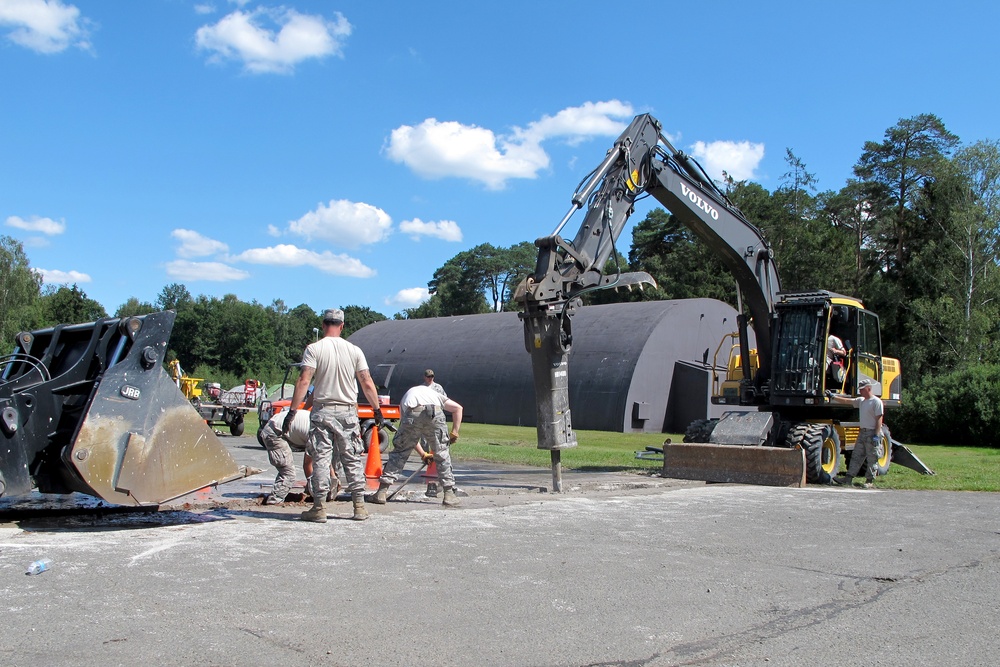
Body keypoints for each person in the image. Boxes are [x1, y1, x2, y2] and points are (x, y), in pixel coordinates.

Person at [285, 308, 384, 523]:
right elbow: (367, 382)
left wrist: (293, 411)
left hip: (323, 411)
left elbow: (304, 381)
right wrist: (377, 410)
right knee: (351, 458)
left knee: (320, 458)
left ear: (323, 325)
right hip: (348, 411)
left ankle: (319, 507)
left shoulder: (314, 349)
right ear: (342, 326)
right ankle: (359, 506)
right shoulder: (354, 350)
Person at [371, 382, 463, 507]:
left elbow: (408, 439)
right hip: (435, 412)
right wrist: (454, 432)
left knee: (400, 452)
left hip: (412, 411)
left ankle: (381, 492)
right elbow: (458, 408)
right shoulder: (436, 396)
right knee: (442, 454)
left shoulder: (407, 398)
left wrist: (423, 454)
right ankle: (449, 494)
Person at [258, 406, 340, 505]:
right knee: (288, 473)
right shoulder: (316, 433)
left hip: (280, 427)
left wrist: (333, 477)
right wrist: (315, 489)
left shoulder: (323, 426)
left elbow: (323, 458)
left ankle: (308, 491)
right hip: (274, 433)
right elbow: (307, 464)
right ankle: (274, 501)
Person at [828, 378, 884, 488]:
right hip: (862, 433)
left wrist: (876, 435)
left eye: (862, 389)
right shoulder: (861, 401)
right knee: (856, 456)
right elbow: (847, 401)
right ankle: (848, 478)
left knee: (872, 457)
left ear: (868, 388)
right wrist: (833, 397)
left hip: (872, 433)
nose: (860, 391)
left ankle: (869, 481)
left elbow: (879, 419)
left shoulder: (876, 402)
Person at [419, 369, 447, 497]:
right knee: (424, 440)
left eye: (432, 376)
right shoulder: (422, 388)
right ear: (424, 377)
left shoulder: (438, 388)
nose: (430, 378)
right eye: (428, 376)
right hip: (425, 416)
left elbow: (444, 401)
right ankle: (426, 459)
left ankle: (438, 463)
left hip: (436, 416)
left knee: (438, 441)